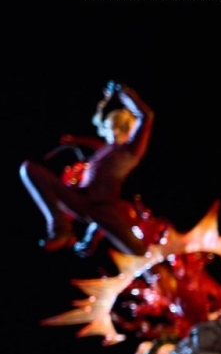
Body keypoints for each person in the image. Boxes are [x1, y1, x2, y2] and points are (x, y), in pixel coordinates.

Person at [20, 81, 165, 255]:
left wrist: (123, 92)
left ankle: (97, 232)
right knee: (29, 169)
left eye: (114, 128)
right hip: (81, 199)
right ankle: (61, 228)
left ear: (124, 128)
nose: (110, 132)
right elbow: (98, 145)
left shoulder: (130, 150)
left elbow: (146, 116)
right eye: (109, 128)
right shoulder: (106, 150)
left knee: (139, 252)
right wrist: (76, 139)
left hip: (104, 208)